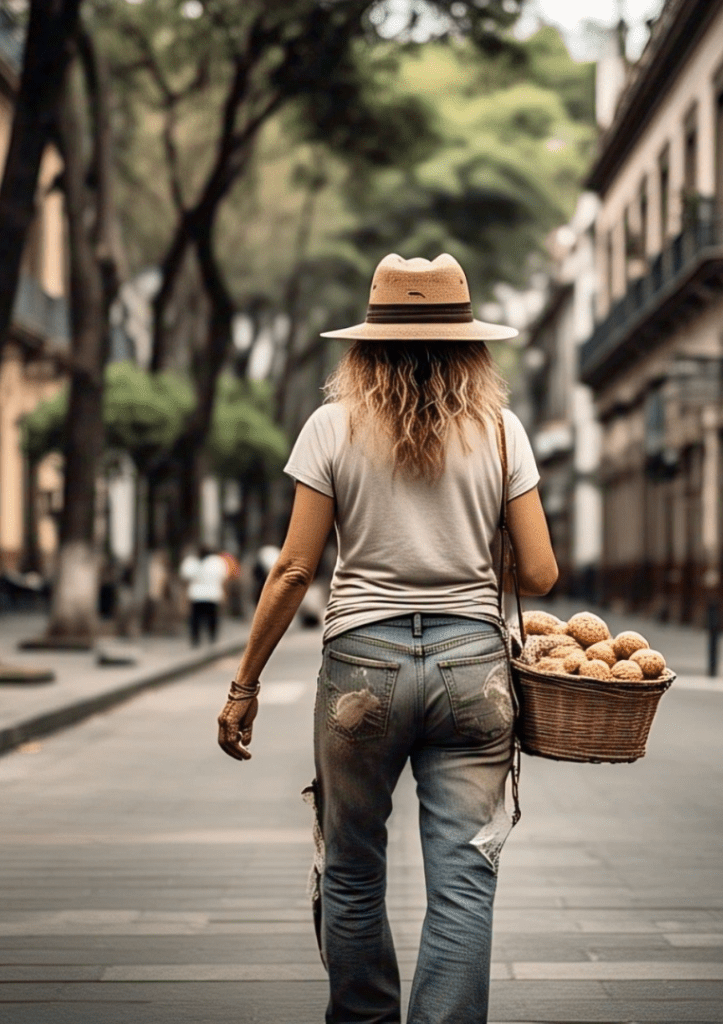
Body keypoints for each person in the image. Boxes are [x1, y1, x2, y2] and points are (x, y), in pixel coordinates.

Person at [217, 253, 557, 1024]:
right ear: (471, 346)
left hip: (360, 667)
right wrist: (469, 542)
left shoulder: (331, 427)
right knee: (465, 878)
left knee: (351, 870)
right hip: (474, 670)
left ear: (366, 344)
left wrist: (245, 685)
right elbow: (539, 572)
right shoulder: (502, 433)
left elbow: (294, 569)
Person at [179, 545, 228, 646]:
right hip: (212, 595)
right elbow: (224, 576)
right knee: (211, 618)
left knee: (196, 619)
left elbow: (184, 576)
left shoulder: (192, 562)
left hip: (197, 595)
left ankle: (196, 639)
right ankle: (212, 638)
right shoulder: (217, 562)